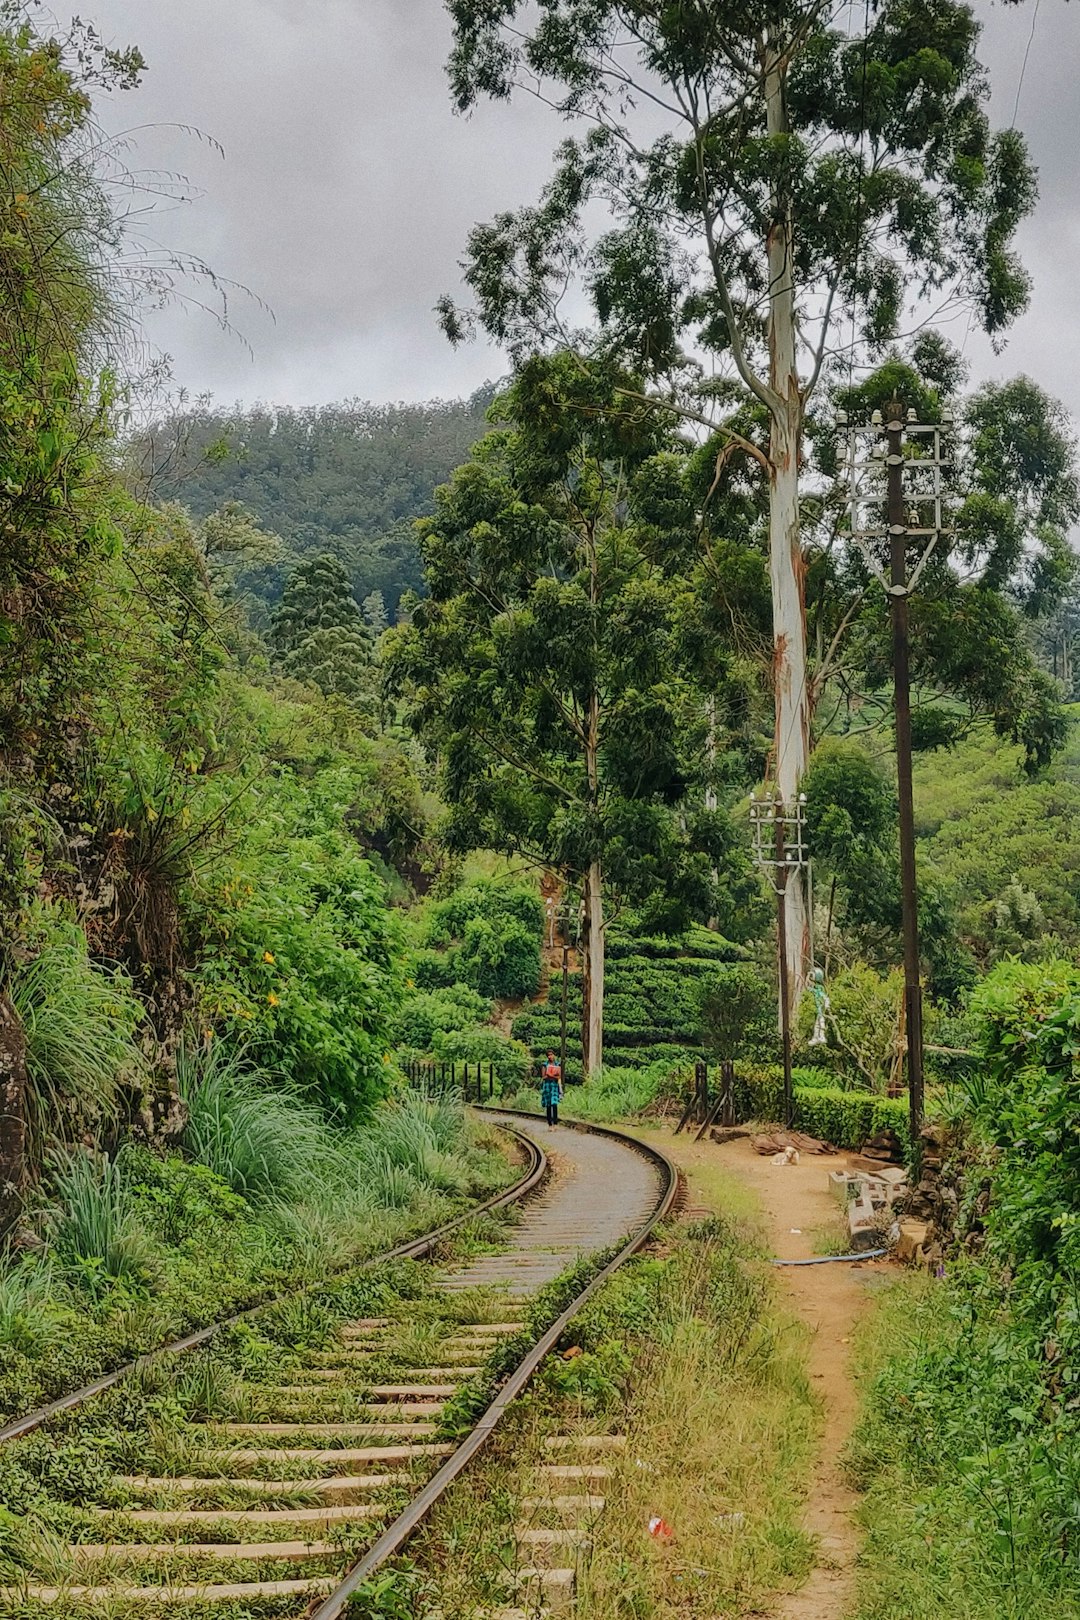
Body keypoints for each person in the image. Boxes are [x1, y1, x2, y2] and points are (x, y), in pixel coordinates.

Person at [540, 1050, 563, 1125]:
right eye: (549, 1055)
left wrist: (551, 1075)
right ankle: (550, 1124)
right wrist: (549, 1075)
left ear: (554, 1055)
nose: (550, 1056)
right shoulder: (545, 1065)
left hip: (554, 1086)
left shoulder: (557, 1064)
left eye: (551, 1054)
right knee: (548, 1105)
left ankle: (555, 1123)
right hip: (547, 1086)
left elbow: (559, 1076)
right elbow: (543, 1077)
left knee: (554, 1104)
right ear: (547, 1057)